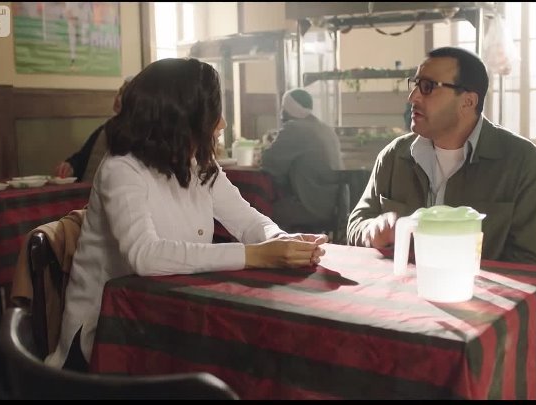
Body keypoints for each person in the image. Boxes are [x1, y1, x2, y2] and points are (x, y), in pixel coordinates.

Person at [44, 58, 327, 371]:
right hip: (109, 335)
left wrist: (283, 240)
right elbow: (145, 256)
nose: (222, 124)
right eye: (212, 112)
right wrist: (256, 256)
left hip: (170, 316)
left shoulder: (197, 162)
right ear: (179, 116)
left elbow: (246, 219)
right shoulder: (121, 168)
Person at [346, 47, 536, 266]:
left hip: (474, 287)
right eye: (415, 85)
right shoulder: (394, 156)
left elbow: (530, 264)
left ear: (468, 101)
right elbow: (357, 223)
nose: (412, 97)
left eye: (427, 87)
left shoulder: (525, 165)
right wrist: (372, 231)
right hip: (400, 285)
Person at [261, 88, 344, 231]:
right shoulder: (325, 128)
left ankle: (282, 243)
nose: (281, 114)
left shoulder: (295, 128)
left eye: (283, 108)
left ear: (288, 110)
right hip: (335, 206)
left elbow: (269, 162)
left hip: (311, 207)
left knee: (259, 211)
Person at [54, 76, 133, 183]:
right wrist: (70, 166)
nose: (118, 99)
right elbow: (82, 157)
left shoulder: (139, 137)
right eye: (120, 92)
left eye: (125, 95)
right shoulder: (106, 128)